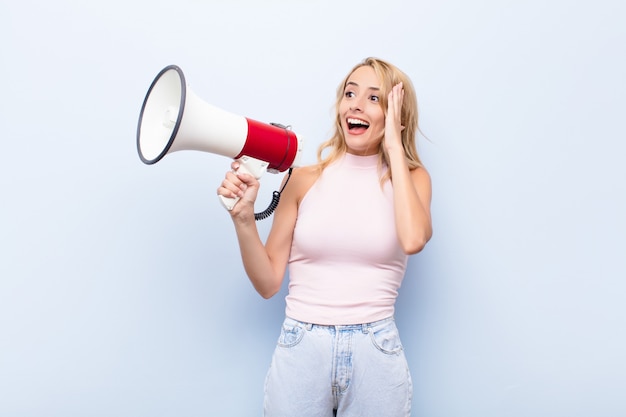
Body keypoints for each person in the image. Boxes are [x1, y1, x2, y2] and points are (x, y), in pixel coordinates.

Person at [217, 57, 432, 417]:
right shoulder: (303, 179)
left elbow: (413, 240)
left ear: (396, 117)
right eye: (350, 93)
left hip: (375, 349)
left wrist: (394, 148)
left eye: (375, 99)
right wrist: (243, 220)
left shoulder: (412, 180)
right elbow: (269, 282)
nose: (356, 104)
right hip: (302, 345)